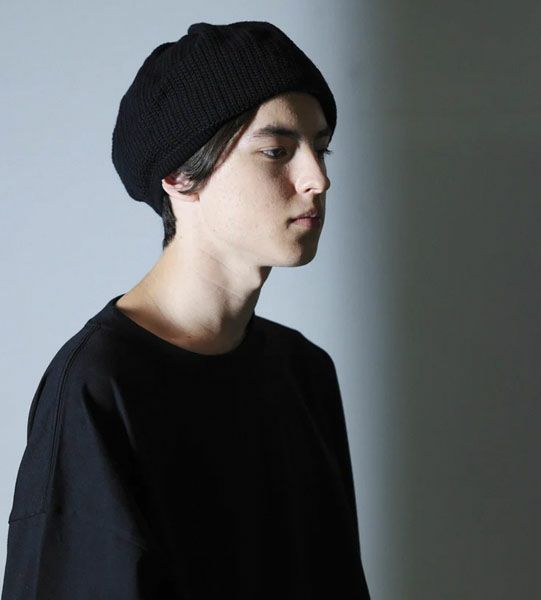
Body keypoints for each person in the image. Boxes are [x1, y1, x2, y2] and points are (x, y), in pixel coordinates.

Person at [1, 21, 371, 599]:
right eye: (276, 151)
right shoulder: (99, 387)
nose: (317, 179)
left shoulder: (304, 372)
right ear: (178, 175)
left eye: (320, 148)